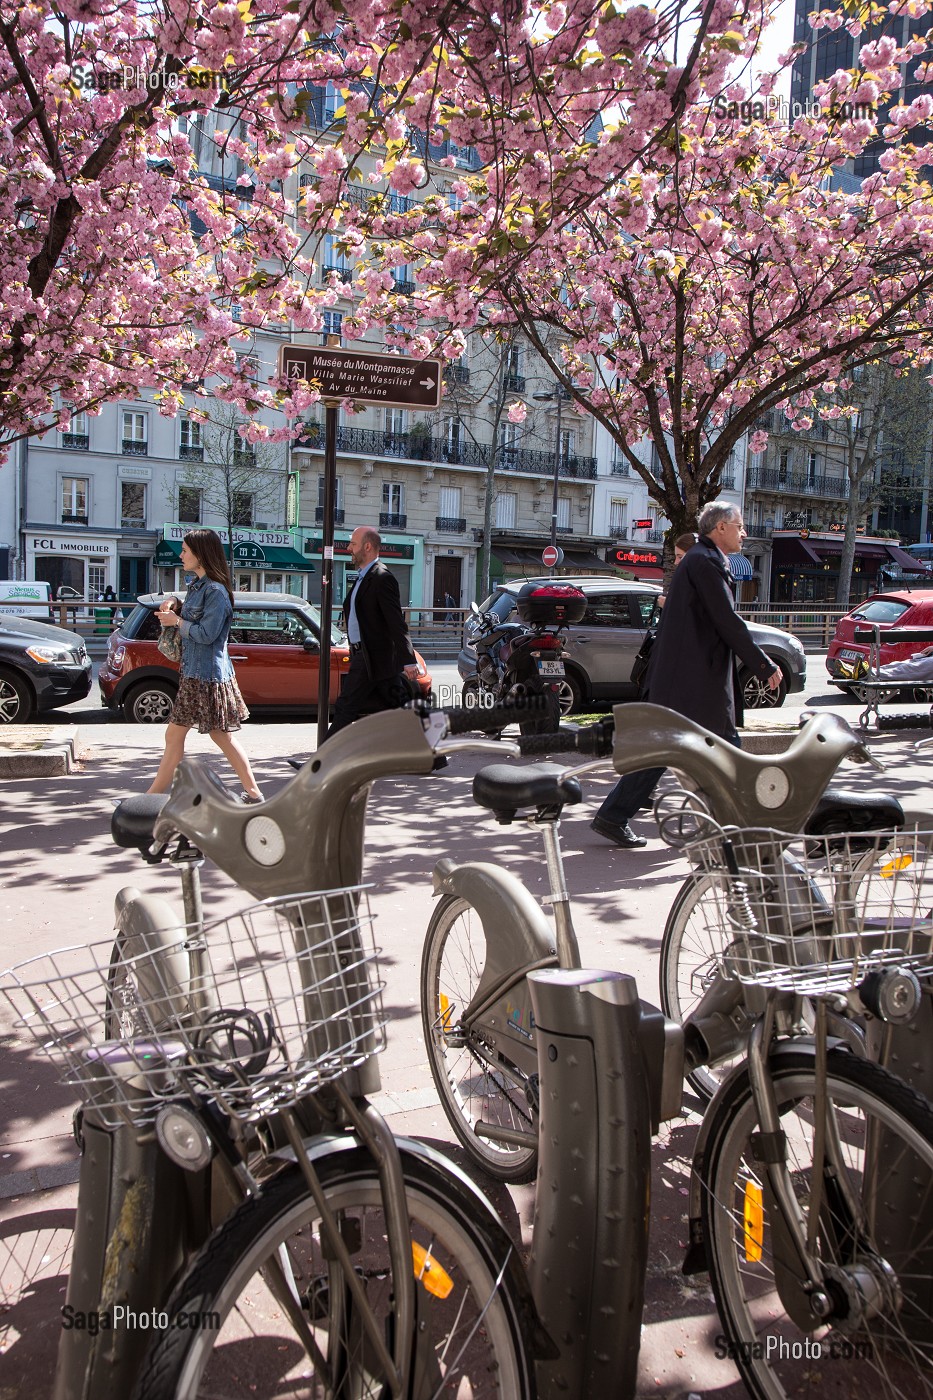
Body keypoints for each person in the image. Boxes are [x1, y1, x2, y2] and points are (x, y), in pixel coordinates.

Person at [591, 505, 781, 848]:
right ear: (721, 527)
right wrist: (764, 665)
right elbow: (727, 621)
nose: (744, 533)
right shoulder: (707, 562)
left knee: (671, 748)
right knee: (724, 748)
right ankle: (735, 825)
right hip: (697, 680)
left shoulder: (698, 559)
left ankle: (615, 816)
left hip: (687, 678)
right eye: (739, 526)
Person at [146, 528, 263, 802]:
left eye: (185, 550)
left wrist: (176, 622)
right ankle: (254, 794)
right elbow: (189, 606)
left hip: (206, 677)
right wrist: (173, 602)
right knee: (197, 736)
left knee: (195, 736)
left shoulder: (216, 592)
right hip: (197, 674)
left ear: (201, 554)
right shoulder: (199, 585)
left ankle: (151, 798)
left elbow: (207, 634)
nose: (181, 554)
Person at [326, 525, 420, 739]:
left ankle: (319, 764)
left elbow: (396, 622)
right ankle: (435, 755)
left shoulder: (381, 577)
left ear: (367, 547)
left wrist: (409, 659)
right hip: (368, 657)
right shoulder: (362, 577)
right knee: (404, 709)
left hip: (372, 656)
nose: (349, 548)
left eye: (353, 544)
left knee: (345, 708)